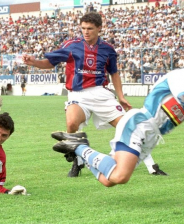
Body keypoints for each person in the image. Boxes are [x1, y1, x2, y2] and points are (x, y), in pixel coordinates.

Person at [52, 46, 184, 187]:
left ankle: (78, 147)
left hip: (151, 136)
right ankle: (80, 146)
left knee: (108, 180)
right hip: (139, 125)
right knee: (120, 176)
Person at [22, 12, 165, 177]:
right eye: (83, 28)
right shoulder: (72, 45)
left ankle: (152, 166)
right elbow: (50, 63)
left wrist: (121, 96)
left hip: (101, 94)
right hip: (77, 95)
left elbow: (114, 73)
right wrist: (34, 62)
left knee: (128, 128)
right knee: (72, 124)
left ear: (99, 28)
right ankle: (78, 162)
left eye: (90, 28)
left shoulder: (108, 50)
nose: (86, 32)